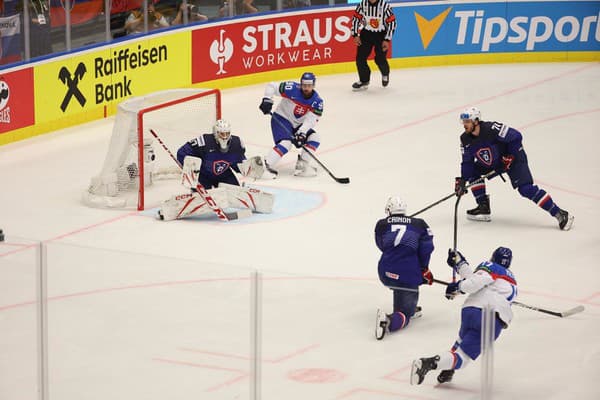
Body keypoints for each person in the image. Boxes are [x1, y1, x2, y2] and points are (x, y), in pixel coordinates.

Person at [411, 246, 518, 385]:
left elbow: (473, 281)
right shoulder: (510, 280)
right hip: (490, 318)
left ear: (493, 256)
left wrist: (460, 264)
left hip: (470, 310)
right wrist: (458, 287)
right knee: (463, 358)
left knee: (460, 343)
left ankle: (449, 368)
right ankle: (429, 363)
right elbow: (474, 283)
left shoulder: (490, 269)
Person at [455, 107, 574, 231]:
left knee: (525, 189)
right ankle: (483, 207)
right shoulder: (465, 139)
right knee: (473, 172)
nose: (464, 125)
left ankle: (560, 213)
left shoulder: (491, 128)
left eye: (467, 121)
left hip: (514, 159)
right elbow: (467, 162)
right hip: (495, 163)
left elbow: (516, 136)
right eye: (463, 122)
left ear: (476, 121)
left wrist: (510, 156)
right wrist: (463, 180)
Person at [158, 119, 273, 221]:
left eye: (227, 133)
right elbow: (182, 152)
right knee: (202, 199)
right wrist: (191, 168)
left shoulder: (237, 143)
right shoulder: (204, 141)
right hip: (203, 175)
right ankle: (170, 209)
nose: (225, 137)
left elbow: (238, 163)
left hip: (224, 174)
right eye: (222, 134)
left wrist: (246, 168)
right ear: (215, 133)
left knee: (236, 192)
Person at [374, 196, 435, 340]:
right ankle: (388, 321)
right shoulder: (419, 224)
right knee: (405, 315)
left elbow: (382, 245)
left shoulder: (381, 224)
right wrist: (424, 269)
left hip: (385, 271)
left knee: (399, 283)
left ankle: (406, 307)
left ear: (389, 210)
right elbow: (427, 248)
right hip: (407, 275)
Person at [258, 72, 324, 178]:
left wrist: (302, 133)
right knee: (286, 143)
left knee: (315, 138)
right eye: (304, 85)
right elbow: (272, 86)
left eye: (309, 86)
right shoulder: (291, 88)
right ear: (301, 84)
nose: (306, 88)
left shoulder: (317, 102)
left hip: (298, 125)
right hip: (282, 117)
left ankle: (302, 165)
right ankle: (264, 166)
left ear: (314, 85)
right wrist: (267, 99)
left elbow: (311, 120)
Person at [350, 0, 397, 91]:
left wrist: (387, 39)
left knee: (379, 59)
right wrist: (355, 35)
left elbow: (392, 23)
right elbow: (356, 18)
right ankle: (364, 81)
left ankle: (385, 73)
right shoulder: (362, 4)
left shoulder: (385, 6)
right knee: (360, 58)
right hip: (366, 34)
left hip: (381, 35)